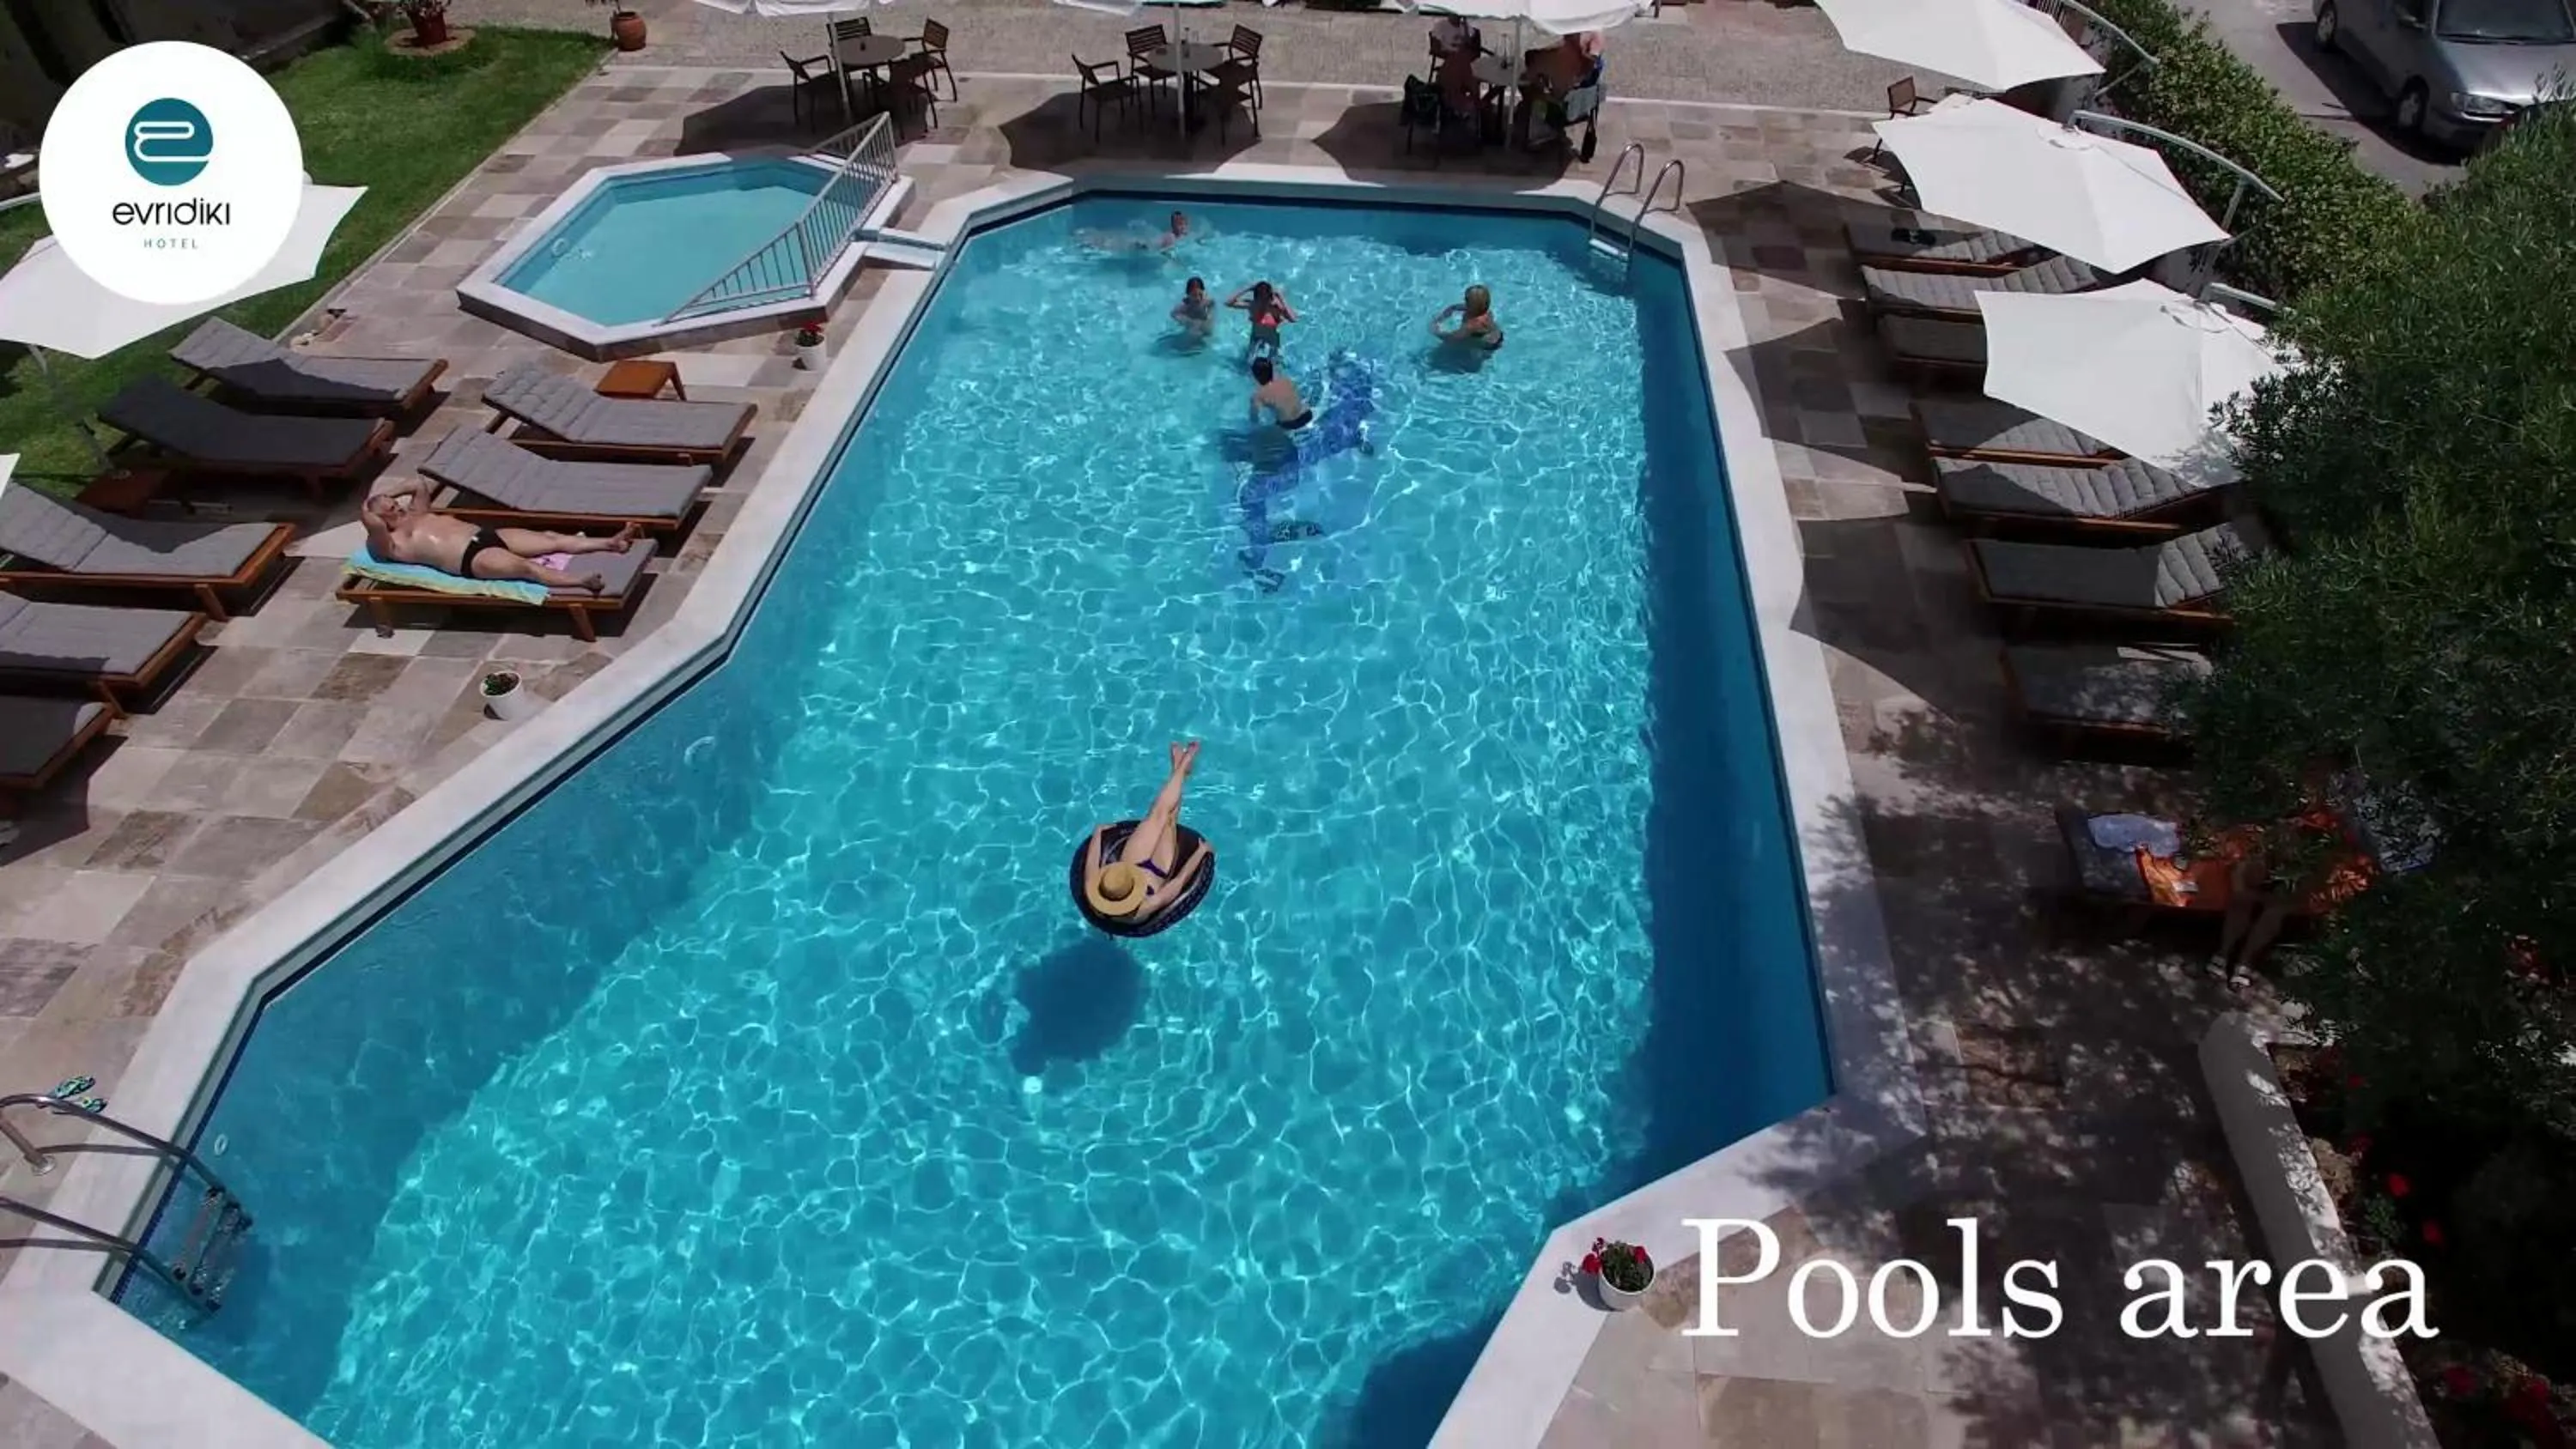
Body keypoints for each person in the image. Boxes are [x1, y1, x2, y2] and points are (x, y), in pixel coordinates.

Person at [361, 482, 640, 592]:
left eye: (395, 504)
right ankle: (582, 581)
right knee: (528, 568)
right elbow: (371, 521)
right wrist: (368, 506)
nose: (398, 508)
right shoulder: (393, 543)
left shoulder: (416, 513)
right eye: (391, 510)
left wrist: (389, 494)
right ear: (380, 519)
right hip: (472, 559)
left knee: (551, 538)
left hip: (487, 536)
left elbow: (417, 484)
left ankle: (610, 543)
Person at [1080, 742, 1215, 931]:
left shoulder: (1095, 897)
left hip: (1131, 862)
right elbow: (1179, 881)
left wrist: (1098, 834)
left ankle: (1182, 767)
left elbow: (1091, 865)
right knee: (1169, 820)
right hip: (1157, 870)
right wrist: (1201, 852)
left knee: (1157, 812)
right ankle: (1180, 770)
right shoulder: (1144, 909)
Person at [1227, 280, 1295, 360]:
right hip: (1256, 339)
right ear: (1256, 297)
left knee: (1273, 366)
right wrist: (1248, 288)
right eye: (1261, 298)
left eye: (1265, 299)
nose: (1263, 301)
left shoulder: (1275, 308)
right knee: (1248, 366)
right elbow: (1228, 303)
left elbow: (1292, 319)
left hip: (1272, 343)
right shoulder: (1252, 305)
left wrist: (1281, 296)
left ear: (1270, 297)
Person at [1431, 284, 1504, 351]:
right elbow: (1455, 307)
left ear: (1472, 305)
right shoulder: (1482, 310)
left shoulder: (1472, 325)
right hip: (1496, 335)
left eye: (1466, 299)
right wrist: (1447, 313)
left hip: (1489, 345)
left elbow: (1453, 338)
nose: (1464, 300)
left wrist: (1437, 332)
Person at [1080, 209, 1191, 254]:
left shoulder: (1180, 236)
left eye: (1182, 223)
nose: (1181, 226)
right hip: (1146, 245)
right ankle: (1090, 243)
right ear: (1173, 225)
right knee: (1113, 245)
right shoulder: (1170, 236)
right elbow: (1167, 251)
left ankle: (1091, 242)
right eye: (1178, 223)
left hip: (1146, 242)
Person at [1249, 355, 1310, 431]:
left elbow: (1254, 420)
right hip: (1307, 415)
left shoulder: (1258, 396)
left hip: (1290, 425)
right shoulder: (1286, 380)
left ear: (1256, 377)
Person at [1172, 276, 1215, 341]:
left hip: (1203, 324)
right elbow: (1174, 314)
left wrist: (1203, 323)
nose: (1198, 298)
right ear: (1188, 295)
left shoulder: (1208, 303)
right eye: (1194, 295)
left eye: (1200, 295)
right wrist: (1190, 322)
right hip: (1192, 326)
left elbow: (1211, 320)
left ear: (1204, 292)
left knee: (1207, 333)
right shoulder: (1185, 307)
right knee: (1193, 335)